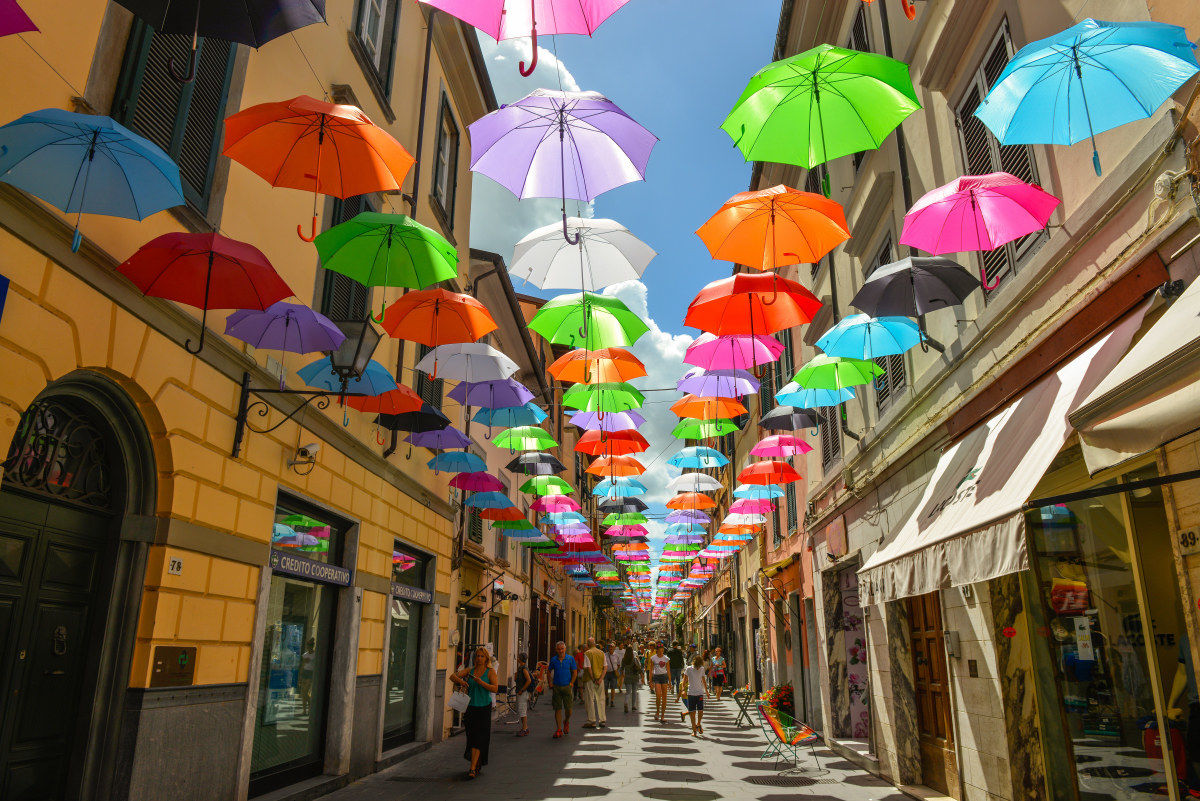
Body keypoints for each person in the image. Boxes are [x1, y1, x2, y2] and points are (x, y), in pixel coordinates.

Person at [451, 646, 498, 779]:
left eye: (482, 656)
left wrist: (481, 682)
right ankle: (476, 763)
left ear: (486, 658)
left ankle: (472, 768)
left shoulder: (490, 672)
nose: (479, 658)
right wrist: (462, 682)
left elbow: (495, 688)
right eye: (477, 656)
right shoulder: (470, 671)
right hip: (471, 708)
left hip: (484, 708)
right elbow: (452, 676)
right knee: (471, 737)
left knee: (479, 738)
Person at [548, 641, 578, 738]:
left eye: (562, 649)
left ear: (565, 649)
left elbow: (574, 672)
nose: (561, 651)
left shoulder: (570, 659)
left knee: (569, 710)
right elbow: (548, 671)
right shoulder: (553, 660)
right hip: (556, 687)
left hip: (567, 687)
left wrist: (571, 683)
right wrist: (550, 682)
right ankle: (559, 729)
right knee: (558, 708)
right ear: (556, 650)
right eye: (559, 649)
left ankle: (566, 721)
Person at [678, 655, 709, 736]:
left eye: (699, 666)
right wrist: (683, 690)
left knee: (700, 710)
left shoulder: (702, 669)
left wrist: (707, 692)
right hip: (691, 693)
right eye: (697, 666)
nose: (698, 668)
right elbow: (684, 679)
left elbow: (704, 681)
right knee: (692, 712)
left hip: (699, 693)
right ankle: (694, 730)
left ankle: (698, 724)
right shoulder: (689, 669)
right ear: (694, 664)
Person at [581, 636, 608, 729]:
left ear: (588, 645)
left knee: (590, 700)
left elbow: (588, 668)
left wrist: (593, 679)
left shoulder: (587, 653)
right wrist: (601, 679)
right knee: (601, 699)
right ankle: (602, 720)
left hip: (590, 680)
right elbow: (605, 667)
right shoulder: (602, 653)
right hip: (600, 679)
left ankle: (591, 720)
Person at [648, 642, 671, 723]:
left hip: (664, 677)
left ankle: (662, 715)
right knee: (658, 695)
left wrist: (670, 682)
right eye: (659, 650)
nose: (661, 652)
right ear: (657, 650)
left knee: (664, 697)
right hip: (657, 677)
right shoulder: (653, 658)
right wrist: (650, 681)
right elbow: (651, 670)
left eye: (662, 650)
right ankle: (657, 711)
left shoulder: (666, 659)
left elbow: (668, 670)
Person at [513, 652, 533, 737]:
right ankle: (524, 728)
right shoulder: (521, 668)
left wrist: (522, 690)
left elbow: (529, 680)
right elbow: (517, 680)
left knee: (522, 710)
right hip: (520, 691)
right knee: (521, 710)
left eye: (518, 657)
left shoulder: (524, 669)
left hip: (523, 692)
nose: (517, 658)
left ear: (520, 659)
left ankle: (525, 728)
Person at [621, 641, 643, 713]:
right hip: (634, 677)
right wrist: (642, 676)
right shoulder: (634, 659)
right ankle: (633, 706)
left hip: (627, 677)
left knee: (628, 692)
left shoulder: (624, 660)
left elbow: (621, 669)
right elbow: (639, 668)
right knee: (634, 692)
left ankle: (626, 702)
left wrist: (621, 676)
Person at [605, 641, 624, 709]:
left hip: (613, 673)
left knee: (613, 688)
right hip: (606, 673)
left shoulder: (616, 655)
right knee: (605, 687)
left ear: (614, 648)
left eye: (612, 647)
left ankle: (612, 701)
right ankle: (607, 697)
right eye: (609, 647)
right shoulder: (605, 655)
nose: (610, 648)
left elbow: (619, 664)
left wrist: (616, 670)